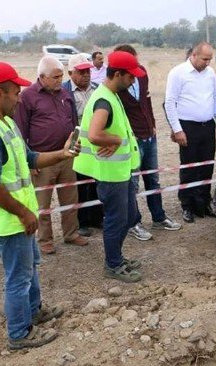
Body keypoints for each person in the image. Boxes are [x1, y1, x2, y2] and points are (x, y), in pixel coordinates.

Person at [0, 61, 74, 349]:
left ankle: (35, 311)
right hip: (9, 218)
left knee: (29, 269)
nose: (20, 98)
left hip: (19, 216)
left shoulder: (5, 122)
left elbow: (30, 158)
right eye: (16, 92)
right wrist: (24, 212)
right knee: (18, 278)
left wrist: (62, 154)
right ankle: (19, 333)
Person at [73, 51, 144, 283]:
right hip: (110, 173)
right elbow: (94, 134)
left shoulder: (110, 94)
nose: (134, 80)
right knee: (116, 219)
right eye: (131, 76)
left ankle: (117, 257)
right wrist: (113, 141)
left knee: (130, 215)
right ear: (119, 74)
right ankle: (113, 264)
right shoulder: (104, 99)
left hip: (121, 171)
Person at [14, 56, 88, 254]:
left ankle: (71, 233)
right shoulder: (28, 97)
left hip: (66, 157)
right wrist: (29, 161)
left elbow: (73, 123)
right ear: (42, 77)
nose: (59, 80)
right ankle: (45, 239)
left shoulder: (65, 93)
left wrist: (73, 148)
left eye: (61, 76)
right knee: (42, 203)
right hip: (42, 159)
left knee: (70, 199)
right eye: (55, 77)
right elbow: (20, 131)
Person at [113, 44, 181, 242]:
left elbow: (147, 101)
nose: (136, 67)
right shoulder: (116, 86)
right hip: (132, 140)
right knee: (132, 184)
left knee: (153, 179)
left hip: (149, 136)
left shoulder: (142, 74)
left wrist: (152, 124)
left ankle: (159, 217)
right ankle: (134, 222)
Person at [164, 42, 216, 224]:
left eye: (210, 59)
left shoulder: (210, 73)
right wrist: (177, 129)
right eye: (205, 59)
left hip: (207, 126)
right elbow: (170, 102)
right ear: (194, 55)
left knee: (207, 166)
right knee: (189, 167)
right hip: (187, 127)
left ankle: (204, 202)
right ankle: (187, 205)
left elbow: (215, 97)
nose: (207, 63)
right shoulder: (178, 73)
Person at [62, 55, 102, 237]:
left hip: (95, 144)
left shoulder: (97, 89)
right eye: (82, 72)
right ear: (70, 73)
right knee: (78, 184)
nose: (86, 75)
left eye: (88, 71)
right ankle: (81, 221)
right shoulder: (63, 92)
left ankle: (96, 217)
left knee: (95, 181)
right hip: (77, 144)